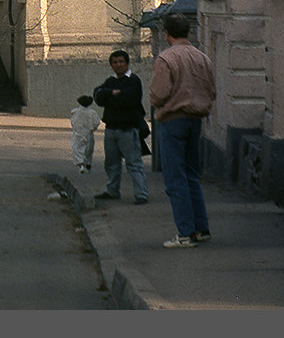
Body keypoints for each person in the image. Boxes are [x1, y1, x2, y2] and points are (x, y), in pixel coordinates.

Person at [149, 13, 217, 249]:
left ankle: (185, 233)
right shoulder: (201, 57)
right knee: (191, 176)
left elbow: (158, 93)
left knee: (175, 178)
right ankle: (201, 228)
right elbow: (211, 88)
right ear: (188, 32)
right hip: (195, 119)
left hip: (173, 120)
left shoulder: (167, 58)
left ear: (167, 34)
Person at [92, 49, 149, 203]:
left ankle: (141, 194)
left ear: (127, 63)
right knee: (111, 164)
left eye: (121, 62)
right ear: (111, 65)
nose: (118, 65)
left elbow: (129, 101)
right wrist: (113, 93)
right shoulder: (110, 82)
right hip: (111, 130)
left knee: (134, 164)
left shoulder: (133, 80)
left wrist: (109, 96)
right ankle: (112, 191)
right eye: (115, 62)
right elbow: (98, 96)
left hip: (128, 130)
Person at [70, 94, 101, 174]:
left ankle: (81, 165)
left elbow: (73, 122)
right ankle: (88, 164)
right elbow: (96, 122)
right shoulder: (92, 113)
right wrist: (93, 129)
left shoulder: (75, 112)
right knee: (88, 150)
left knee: (78, 149)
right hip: (89, 134)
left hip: (78, 133)